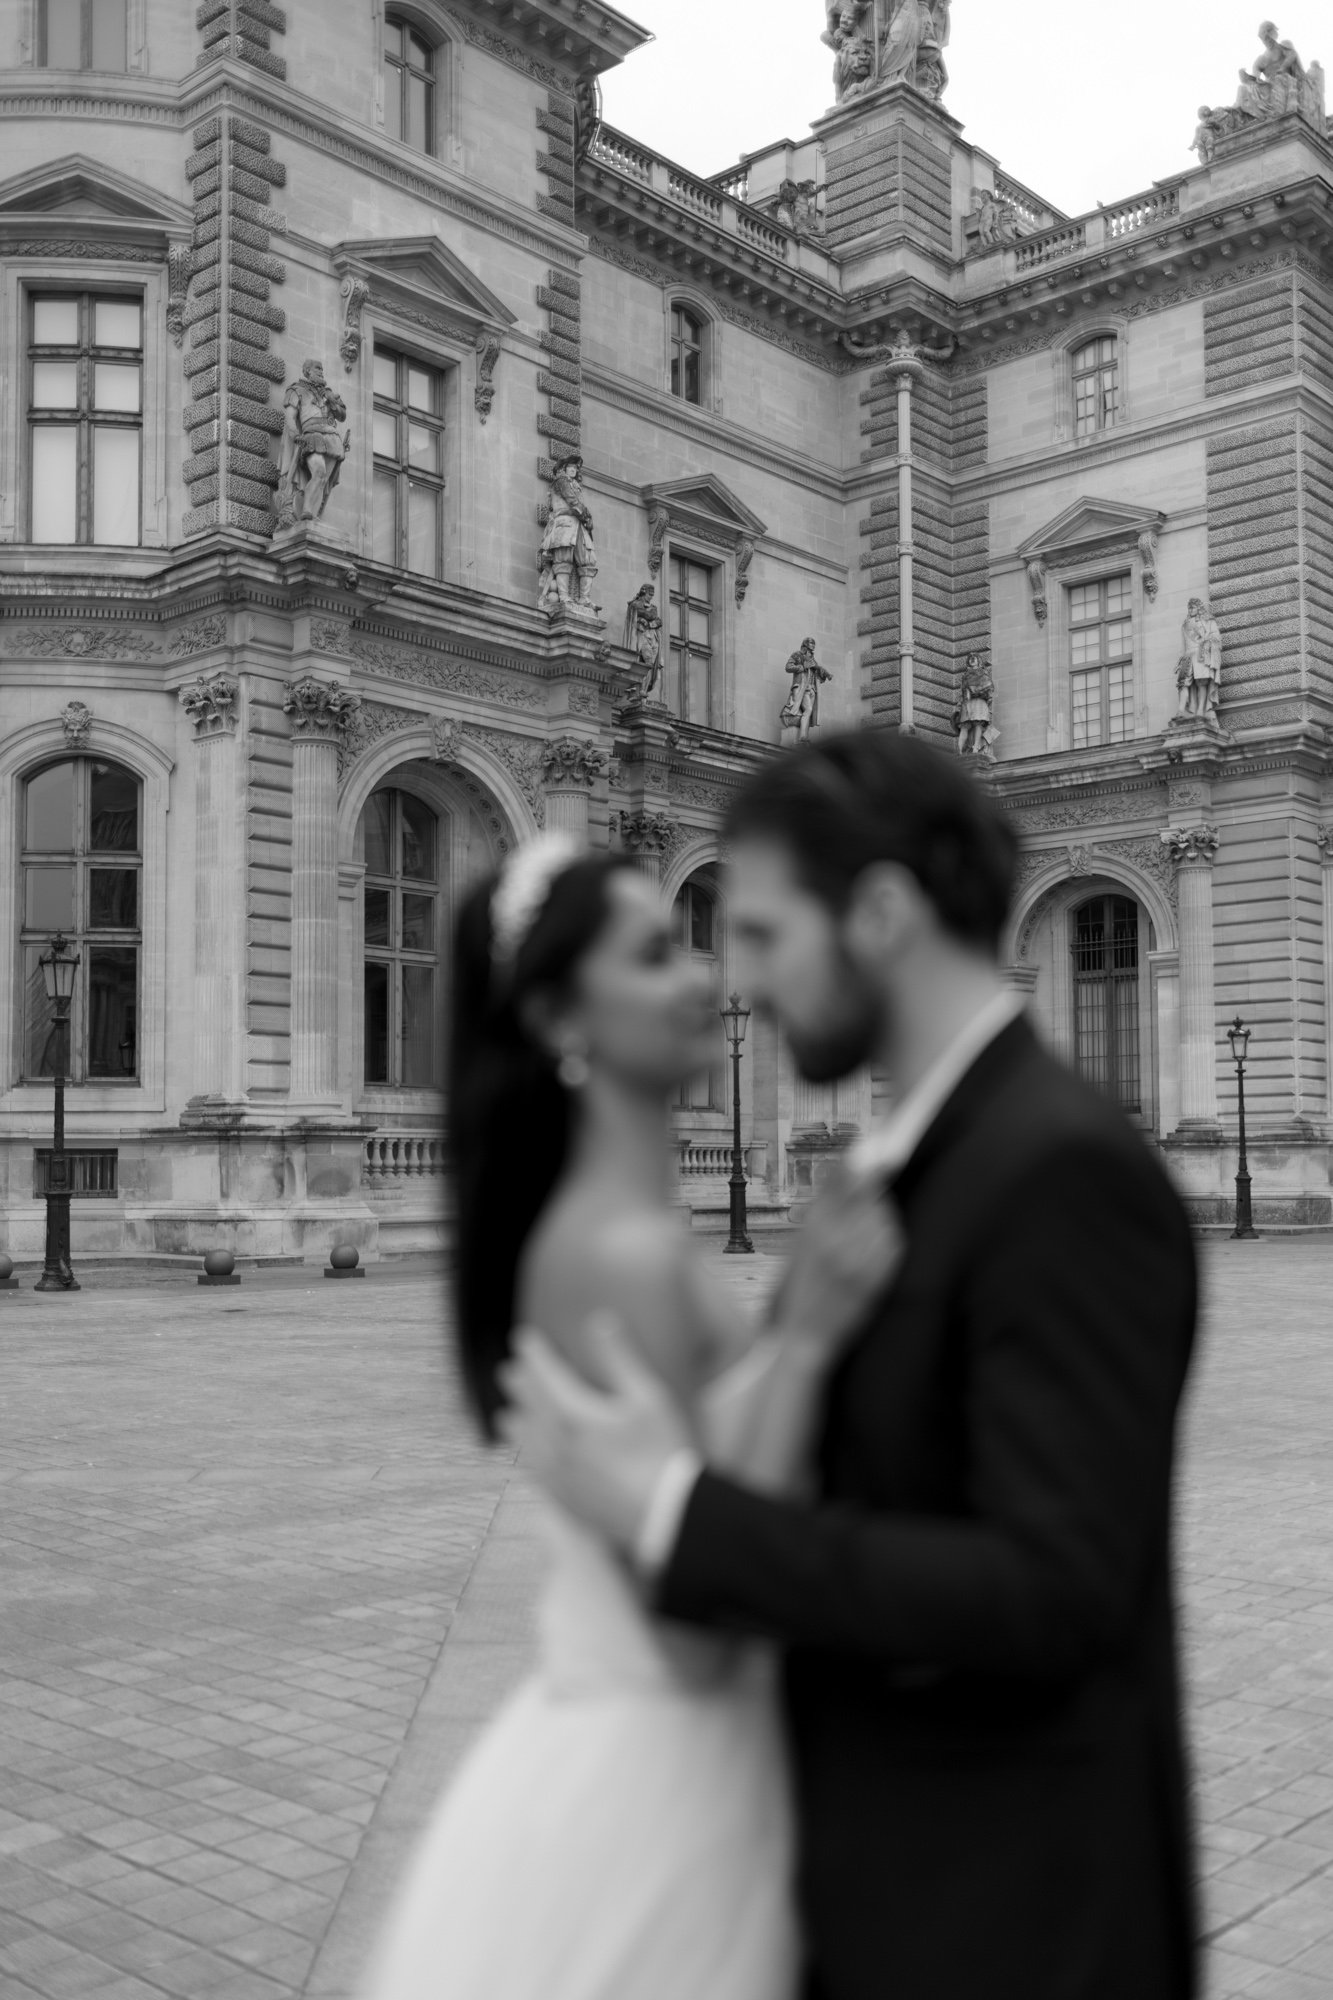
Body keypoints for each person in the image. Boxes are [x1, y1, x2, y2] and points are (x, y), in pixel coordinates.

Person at [506, 728, 1200, 2000]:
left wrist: (674, 1508)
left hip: (1009, 1928)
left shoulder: (1063, 1171)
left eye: (763, 933)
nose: (739, 985)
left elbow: (1050, 1589)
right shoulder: (931, 1162)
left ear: (878, 912)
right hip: (908, 1896)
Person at [358, 832, 900, 2000]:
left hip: (643, 1753)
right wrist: (804, 1345)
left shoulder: (614, 1235)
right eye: (655, 954)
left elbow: (703, 1487)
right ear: (561, 1019)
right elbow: (695, 1632)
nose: (704, 972)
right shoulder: (622, 1253)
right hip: (667, 1775)